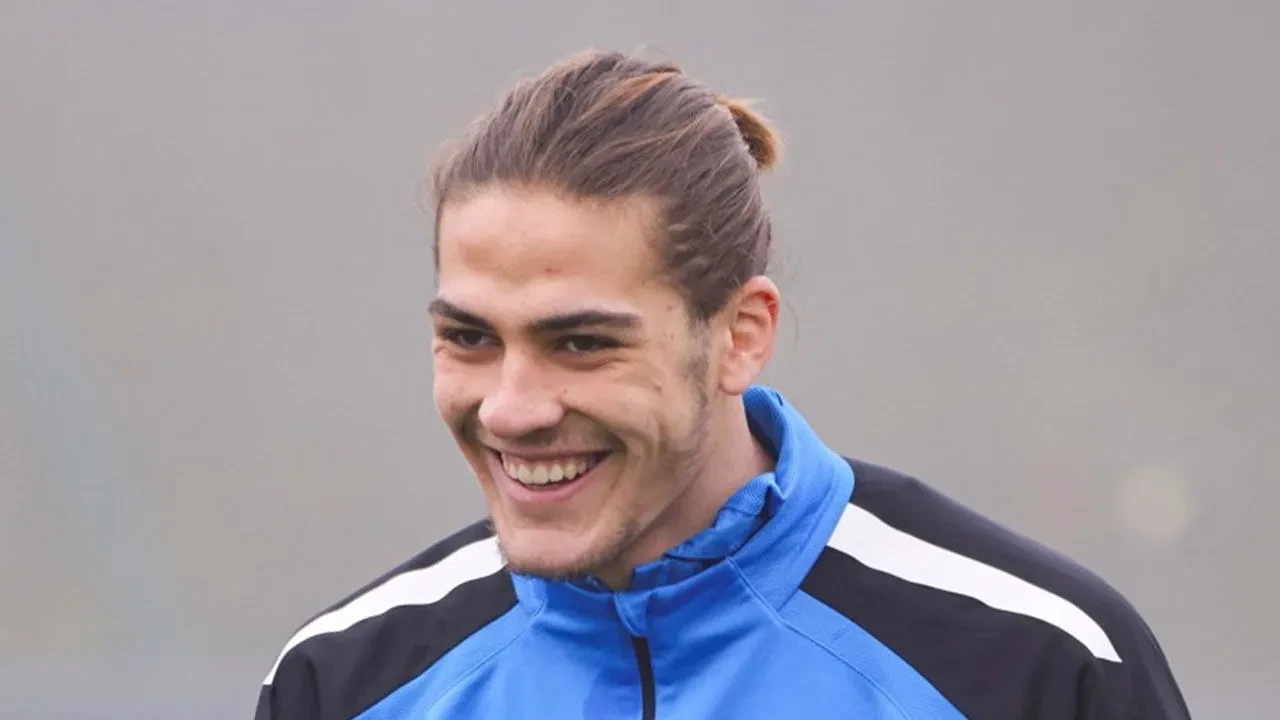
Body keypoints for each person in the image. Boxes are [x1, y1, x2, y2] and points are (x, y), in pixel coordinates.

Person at [254, 49, 1190, 720]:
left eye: (581, 343)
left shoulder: (1041, 665)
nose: (511, 407)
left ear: (741, 337)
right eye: (468, 338)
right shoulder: (340, 684)